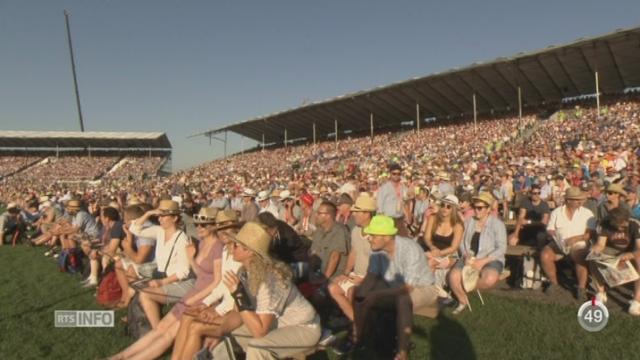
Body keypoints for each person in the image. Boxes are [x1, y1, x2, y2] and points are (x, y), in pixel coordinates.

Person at [109, 206, 223, 360]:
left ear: (214, 226)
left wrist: (195, 298)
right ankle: (120, 356)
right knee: (161, 328)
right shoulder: (202, 243)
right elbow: (200, 274)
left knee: (168, 334)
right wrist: (191, 258)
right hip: (196, 291)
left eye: (204, 224)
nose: (199, 227)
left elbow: (217, 281)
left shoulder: (218, 247)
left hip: (206, 297)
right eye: (197, 224)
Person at [209, 222, 321, 360]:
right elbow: (237, 314)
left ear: (249, 251)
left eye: (236, 244)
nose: (231, 247)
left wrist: (239, 294)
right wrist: (219, 331)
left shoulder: (271, 279)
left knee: (258, 348)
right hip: (277, 324)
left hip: (303, 327)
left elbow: (260, 332)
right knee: (230, 337)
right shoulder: (244, 272)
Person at [346, 215, 438, 360]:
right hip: (392, 285)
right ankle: (358, 335)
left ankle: (402, 352)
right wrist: (360, 296)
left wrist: (376, 295)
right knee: (356, 292)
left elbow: (408, 288)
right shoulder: (376, 251)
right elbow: (370, 278)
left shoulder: (409, 249)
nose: (369, 238)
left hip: (423, 287)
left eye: (373, 235)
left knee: (402, 300)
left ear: (387, 237)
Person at [171, 210, 243, 360]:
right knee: (187, 315)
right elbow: (223, 285)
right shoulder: (225, 250)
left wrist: (217, 310)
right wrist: (205, 303)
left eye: (225, 228)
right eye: (219, 229)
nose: (222, 233)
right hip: (228, 304)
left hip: (238, 308)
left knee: (195, 324)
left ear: (236, 229)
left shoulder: (240, 253)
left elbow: (237, 293)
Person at [130, 200, 194, 329]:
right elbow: (135, 229)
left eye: (163, 216)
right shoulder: (159, 231)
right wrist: (149, 213)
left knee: (144, 294)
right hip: (162, 277)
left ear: (175, 218)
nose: (159, 219)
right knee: (134, 286)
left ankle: (157, 330)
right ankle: (150, 327)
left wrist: (162, 282)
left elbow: (183, 272)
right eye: (159, 216)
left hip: (179, 282)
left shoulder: (182, 239)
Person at [448, 192, 507, 314]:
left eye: (480, 208)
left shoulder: (497, 224)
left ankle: (465, 287)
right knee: (453, 277)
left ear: (488, 209)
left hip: (490, 258)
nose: (477, 210)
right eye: (475, 207)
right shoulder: (468, 221)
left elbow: (501, 248)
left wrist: (483, 261)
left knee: (489, 279)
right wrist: (465, 255)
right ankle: (463, 300)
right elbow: (461, 242)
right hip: (469, 257)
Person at [540, 187, 596, 300]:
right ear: (568, 200)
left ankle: (581, 288)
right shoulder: (557, 212)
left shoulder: (587, 213)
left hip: (579, 243)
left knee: (580, 256)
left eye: (580, 199)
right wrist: (555, 236)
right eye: (576, 199)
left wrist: (576, 238)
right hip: (559, 243)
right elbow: (550, 229)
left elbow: (591, 234)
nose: (579, 202)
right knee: (545, 255)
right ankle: (553, 283)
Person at [328, 194, 375, 321]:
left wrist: (365, 279)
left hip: (371, 277)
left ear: (367, 213)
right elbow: (353, 252)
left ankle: (354, 325)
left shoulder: (376, 234)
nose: (354, 214)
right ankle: (355, 320)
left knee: (352, 291)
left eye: (357, 212)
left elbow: (380, 262)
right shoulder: (356, 230)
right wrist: (346, 272)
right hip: (356, 275)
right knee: (333, 287)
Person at [586, 207, 640, 314]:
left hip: (631, 249)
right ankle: (600, 293)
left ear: (627, 220)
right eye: (617, 225)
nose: (620, 228)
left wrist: (630, 254)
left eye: (622, 225)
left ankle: (637, 301)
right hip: (612, 250)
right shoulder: (605, 224)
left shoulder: (634, 224)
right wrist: (594, 250)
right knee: (592, 259)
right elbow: (601, 244)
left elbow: (639, 247)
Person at [113, 204, 156, 308]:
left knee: (131, 270)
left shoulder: (146, 230)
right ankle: (125, 296)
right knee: (119, 264)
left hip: (155, 265)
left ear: (132, 220)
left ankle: (132, 305)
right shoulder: (137, 228)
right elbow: (130, 254)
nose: (124, 222)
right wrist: (129, 237)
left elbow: (140, 260)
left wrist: (127, 246)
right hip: (147, 260)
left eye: (125, 219)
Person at [420, 194, 463, 297]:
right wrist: (433, 248)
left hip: (450, 255)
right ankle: (434, 290)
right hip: (433, 250)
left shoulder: (458, 225)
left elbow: (454, 247)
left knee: (429, 262)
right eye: (443, 205)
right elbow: (426, 237)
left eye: (448, 207)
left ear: (453, 209)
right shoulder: (433, 218)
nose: (445, 208)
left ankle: (429, 293)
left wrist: (438, 253)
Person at [257, 211, 310, 280]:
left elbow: (281, 258)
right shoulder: (271, 232)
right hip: (284, 261)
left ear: (270, 228)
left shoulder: (288, 237)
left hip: (297, 263)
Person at [377, 163, 410, 236]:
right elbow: (379, 206)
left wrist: (407, 217)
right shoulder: (384, 188)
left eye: (398, 174)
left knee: (403, 241)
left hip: (400, 219)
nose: (396, 176)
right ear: (390, 174)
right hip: (388, 219)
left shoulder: (403, 188)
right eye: (394, 173)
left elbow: (405, 203)